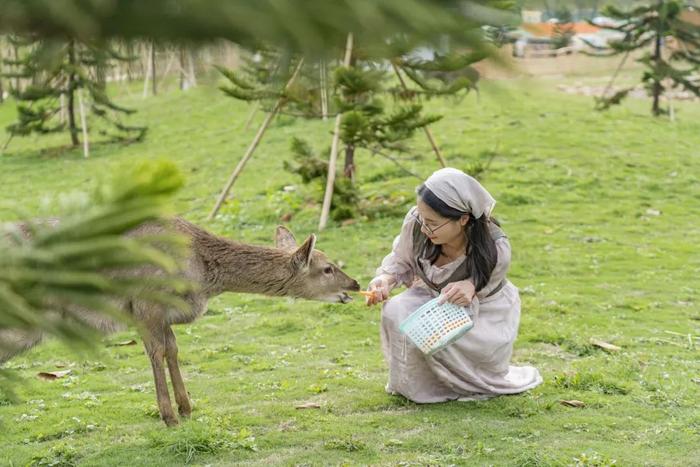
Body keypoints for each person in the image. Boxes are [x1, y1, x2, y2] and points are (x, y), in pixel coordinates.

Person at [366, 167, 542, 402]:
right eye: (422, 219)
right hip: (432, 296)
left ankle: (461, 382)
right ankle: (418, 386)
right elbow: (400, 260)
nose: (425, 229)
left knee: (445, 332)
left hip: (483, 312)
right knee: (396, 310)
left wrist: (471, 286)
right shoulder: (417, 224)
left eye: (433, 223)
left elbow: (485, 285)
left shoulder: (495, 247)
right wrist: (385, 280)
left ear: (463, 219)